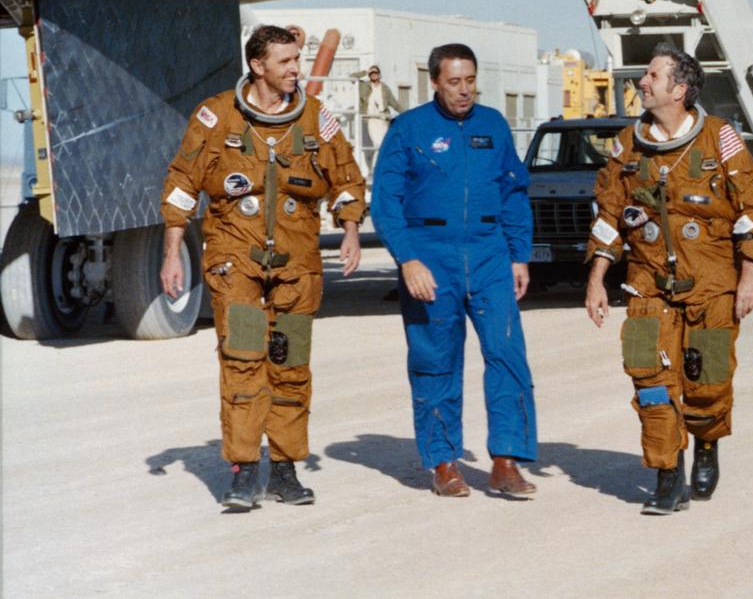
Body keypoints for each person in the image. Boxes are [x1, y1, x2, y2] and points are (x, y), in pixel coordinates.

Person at [159, 25, 366, 511]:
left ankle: (286, 471)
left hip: (296, 267)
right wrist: (172, 250)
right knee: (245, 360)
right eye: (286, 62)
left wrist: (351, 229)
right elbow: (183, 181)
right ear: (258, 66)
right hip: (237, 261)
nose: (297, 69)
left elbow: (347, 178)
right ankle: (244, 470)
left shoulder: (315, 119)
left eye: (298, 59)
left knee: (290, 366)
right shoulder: (215, 117)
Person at [583, 43, 753, 515]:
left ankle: (706, 444)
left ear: (680, 89)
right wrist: (597, 279)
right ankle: (668, 475)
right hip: (648, 283)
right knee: (649, 378)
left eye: (651, 76)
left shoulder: (718, 139)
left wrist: (749, 275)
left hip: (711, 284)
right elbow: (609, 215)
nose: (641, 82)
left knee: (706, 382)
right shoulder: (627, 147)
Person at [370, 43, 538, 500]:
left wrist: (518, 254)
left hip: (488, 255)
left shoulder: (493, 125)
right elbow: (385, 201)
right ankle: (444, 462)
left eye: (470, 81)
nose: (464, 91)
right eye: (454, 82)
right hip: (430, 255)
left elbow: (514, 192)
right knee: (435, 360)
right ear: (435, 82)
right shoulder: (409, 129)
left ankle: (506, 461)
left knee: (507, 354)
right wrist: (408, 259)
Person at [352, 64, 402, 151]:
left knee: (383, 144)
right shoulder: (363, 85)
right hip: (369, 119)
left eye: (375, 72)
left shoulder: (385, 88)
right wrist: (365, 72)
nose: (373, 74)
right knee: (373, 146)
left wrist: (407, 114)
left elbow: (395, 104)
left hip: (382, 119)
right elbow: (352, 77)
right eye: (371, 73)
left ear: (379, 74)